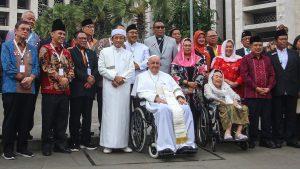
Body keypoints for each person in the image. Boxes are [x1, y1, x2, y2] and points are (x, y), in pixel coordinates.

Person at [132, 55, 197, 155]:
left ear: (160, 64)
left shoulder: (166, 76)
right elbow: (140, 93)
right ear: (148, 64)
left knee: (185, 108)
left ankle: (185, 144)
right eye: (152, 63)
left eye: (157, 63)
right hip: (152, 103)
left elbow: (176, 88)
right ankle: (166, 145)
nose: (155, 65)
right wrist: (155, 98)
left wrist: (179, 97)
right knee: (164, 109)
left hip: (171, 101)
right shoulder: (141, 77)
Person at [1, 20, 39, 160]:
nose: (25, 31)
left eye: (28, 30)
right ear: (15, 31)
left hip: (29, 89)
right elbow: (7, 66)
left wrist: (31, 78)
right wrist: (22, 79)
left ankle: (23, 147)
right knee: (11, 119)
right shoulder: (7, 46)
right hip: (11, 89)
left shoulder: (32, 48)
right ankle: (8, 149)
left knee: (25, 119)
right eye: (22, 29)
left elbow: (36, 67)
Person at [39, 19, 75, 156]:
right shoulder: (45, 49)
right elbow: (45, 67)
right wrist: (61, 78)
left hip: (65, 90)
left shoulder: (66, 52)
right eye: (59, 33)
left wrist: (68, 78)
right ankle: (47, 145)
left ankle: (60, 144)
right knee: (48, 119)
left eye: (64, 34)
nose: (62, 36)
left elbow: (72, 68)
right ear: (52, 34)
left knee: (62, 119)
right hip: (50, 90)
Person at [98, 28, 135, 154]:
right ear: (112, 39)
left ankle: (123, 144)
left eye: (121, 38)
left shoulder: (128, 54)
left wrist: (121, 79)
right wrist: (114, 77)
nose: (118, 40)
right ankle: (108, 144)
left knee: (123, 116)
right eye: (116, 37)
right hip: (109, 88)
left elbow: (131, 70)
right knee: (109, 115)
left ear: (124, 39)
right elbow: (101, 69)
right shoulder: (104, 51)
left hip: (123, 88)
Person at [5, 10, 40, 140]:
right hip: (13, 83)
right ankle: (10, 140)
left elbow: (36, 63)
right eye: (28, 19)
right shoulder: (9, 38)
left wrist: (31, 78)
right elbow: (9, 62)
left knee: (27, 113)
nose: (31, 22)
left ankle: (24, 138)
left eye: (32, 20)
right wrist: (21, 77)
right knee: (12, 114)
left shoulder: (36, 39)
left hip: (29, 84)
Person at [240, 35, 276, 149]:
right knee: (252, 119)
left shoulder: (267, 59)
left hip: (266, 94)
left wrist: (269, 87)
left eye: (260, 45)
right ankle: (252, 139)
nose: (258, 47)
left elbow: (272, 75)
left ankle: (265, 140)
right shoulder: (246, 59)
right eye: (255, 45)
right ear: (250, 46)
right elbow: (245, 76)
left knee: (266, 118)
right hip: (252, 94)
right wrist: (256, 88)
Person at [268, 29, 300, 148]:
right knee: (277, 116)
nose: (284, 41)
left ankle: (291, 138)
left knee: (291, 115)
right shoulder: (270, 55)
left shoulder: (294, 54)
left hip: (292, 89)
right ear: (276, 41)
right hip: (277, 90)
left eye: (285, 39)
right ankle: (278, 138)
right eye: (281, 39)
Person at [68, 31, 98, 151]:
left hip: (89, 89)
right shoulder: (71, 52)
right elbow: (73, 69)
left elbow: (96, 68)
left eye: (85, 38)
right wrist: (86, 78)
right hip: (77, 89)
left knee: (87, 117)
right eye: (81, 38)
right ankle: (74, 141)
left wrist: (92, 79)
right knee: (75, 116)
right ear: (75, 40)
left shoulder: (91, 53)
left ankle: (86, 141)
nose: (83, 40)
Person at [171, 38, 207, 136]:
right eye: (185, 45)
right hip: (182, 91)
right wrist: (187, 83)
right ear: (182, 47)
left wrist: (194, 84)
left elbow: (202, 72)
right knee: (183, 113)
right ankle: (183, 136)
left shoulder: (199, 59)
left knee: (197, 112)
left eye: (189, 45)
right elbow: (174, 75)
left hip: (196, 91)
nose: (187, 47)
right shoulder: (177, 60)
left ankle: (195, 135)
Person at [94, 24, 125, 134]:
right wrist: (113, 77)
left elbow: (126, 67)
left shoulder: (124, 47)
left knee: (118, 111)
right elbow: (99, 63)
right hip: (103, 83)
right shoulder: (102, 43)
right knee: (104, 109)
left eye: (122, 33)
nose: (119, 35)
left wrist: (120, 79)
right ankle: (104, 132)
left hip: (120, 84)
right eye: (117, 32)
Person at [204, 70, 249, 140]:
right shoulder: (208, 86)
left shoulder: (225, 86)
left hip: (229, 103)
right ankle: (227, 132)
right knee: (230, 107)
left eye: (221, 77)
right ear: (212, 77)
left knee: (244, 108)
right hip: (217, 105)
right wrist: (221, 101)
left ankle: (238, 133)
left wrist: (235, 100)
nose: (219, 78)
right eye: (216, 76)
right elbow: (209, 95)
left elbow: (235, 95)